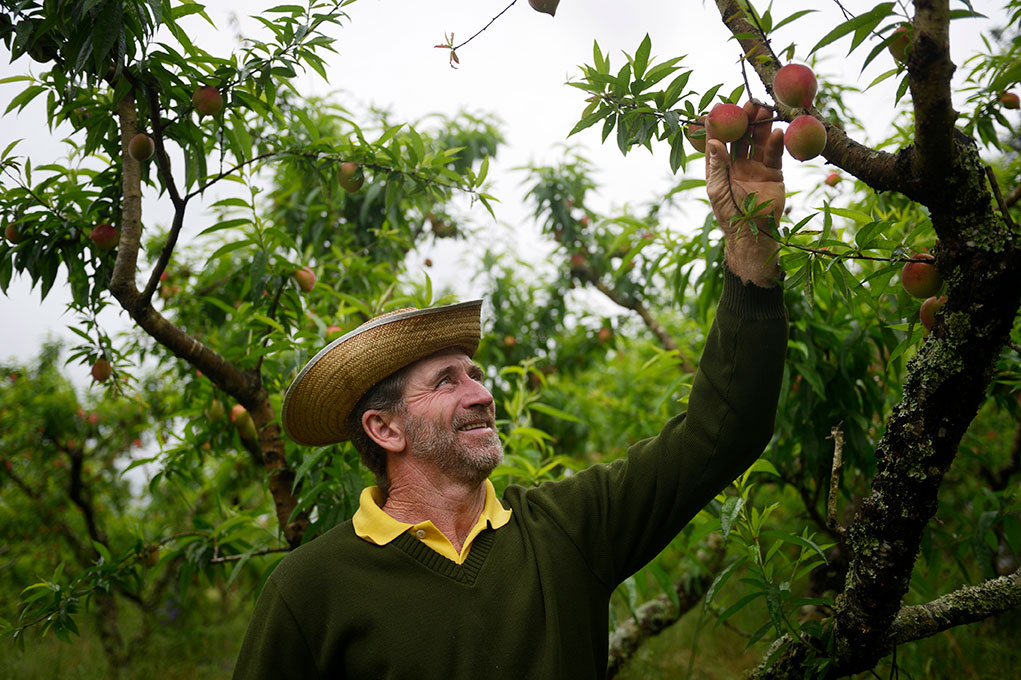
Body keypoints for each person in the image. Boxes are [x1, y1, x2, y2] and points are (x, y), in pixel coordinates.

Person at [232, 102, 789, 679]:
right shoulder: (311, 588)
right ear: (384, 428)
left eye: (474, 374)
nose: (480, 394)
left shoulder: (567, 530)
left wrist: (750, 245)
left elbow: (723, 431)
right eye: (446, 382)